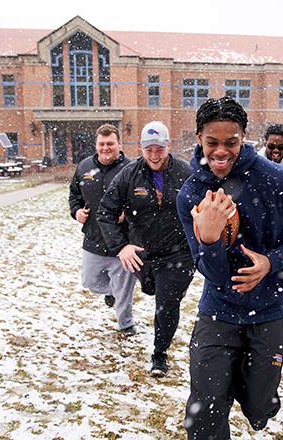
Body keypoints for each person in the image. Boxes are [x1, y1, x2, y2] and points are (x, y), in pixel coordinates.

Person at [176, 96, 283, 439]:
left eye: (231, 142)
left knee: (258, 409)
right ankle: (218, 394)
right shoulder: (191, 193)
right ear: (199, 138)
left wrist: (271, 262)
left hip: (268, 313)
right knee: (205, 412)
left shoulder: (275, 179)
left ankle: (259, 397)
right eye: (212, 142)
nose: (221, 151)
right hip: (218, 313)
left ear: (243, 138)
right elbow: (212, 273)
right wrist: (210, 241)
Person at [97, 121, 194, 376]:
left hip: (178, 253)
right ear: (141, 148)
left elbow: (203, 210)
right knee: (151, 289)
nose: (154, 155)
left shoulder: (185, 173)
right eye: (149, 149)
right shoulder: (129, 175)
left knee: (167, 304)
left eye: (159, 149)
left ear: (168, 146)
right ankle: (146, 285)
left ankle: (159, 353)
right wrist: (121, 247)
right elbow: (105, 212)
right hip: (143, 252)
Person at [68, 124, 137, 337]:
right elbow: (74, 196)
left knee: (124, 291)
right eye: (102, 144)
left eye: (110, 143)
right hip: (94, 238)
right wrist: (77, 211)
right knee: (89, 281)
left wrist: (129, 211)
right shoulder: (85, 167)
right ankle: (110, 293)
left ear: (119, 144)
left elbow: (143, 198)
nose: (106, 148)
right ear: (96, 145)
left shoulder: (131, 168)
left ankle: (126, 324)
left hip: (123, 242)